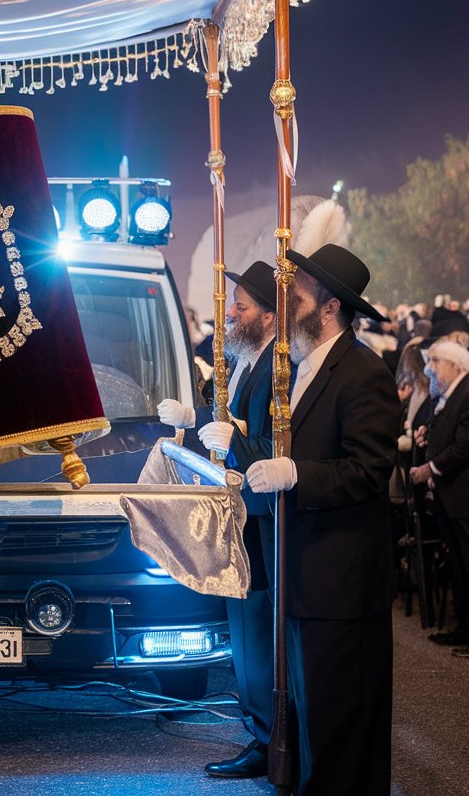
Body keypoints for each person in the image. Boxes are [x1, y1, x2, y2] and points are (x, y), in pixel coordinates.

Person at [246, 244, 397, 796]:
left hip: (340, 580)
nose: (285, 305)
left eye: (299, 297)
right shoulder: (300, 367)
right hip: (301, 573)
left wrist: (297, 474)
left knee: (340, 723)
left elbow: (368, 470)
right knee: (312, 717)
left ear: (330, 307)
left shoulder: (362, 371)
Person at [159, 261, 278, 779]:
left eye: (241, 308)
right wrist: (195, 420)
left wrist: (237, 442)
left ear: (269, 316)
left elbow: (269, 445)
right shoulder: (250, 358)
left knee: (257, 636)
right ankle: (261, 731)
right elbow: (228, 424)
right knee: (246, 633)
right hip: (241, 513)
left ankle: (269, 739)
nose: (230, 315)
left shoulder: (276, 366)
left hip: (260, 516)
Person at [409, 339, 469, 651]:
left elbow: (464, 446)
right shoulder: (452, 392)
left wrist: (430, 468)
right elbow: (449, 432)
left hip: (466, 495)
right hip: (453, 496)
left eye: (435, 362)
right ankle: (465, 627)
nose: (429, 369)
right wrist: (428, 435)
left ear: (454, 365)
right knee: (460, 564)